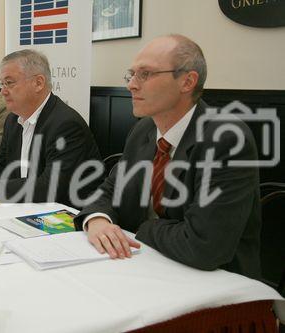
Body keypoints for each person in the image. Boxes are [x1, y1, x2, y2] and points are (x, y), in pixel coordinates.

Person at [74, 34, 261, 279]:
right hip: (150, 265)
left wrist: (141, 227)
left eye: (145, 74)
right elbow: (110, 190)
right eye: (131, 74)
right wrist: (97, 220)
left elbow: (204, 246)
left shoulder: (227, 139)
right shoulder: (143, 129)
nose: (131, 84)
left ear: (187, 81)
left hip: (219, 284)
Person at [0, 49, 103, 207]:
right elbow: (1, 165)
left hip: (70, 214)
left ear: (38, 83)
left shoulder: (65, 124)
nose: (3, 91)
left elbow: (49, 187)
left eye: (9, 83)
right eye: (1, 84)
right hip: (27, 207)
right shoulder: (13, 119)